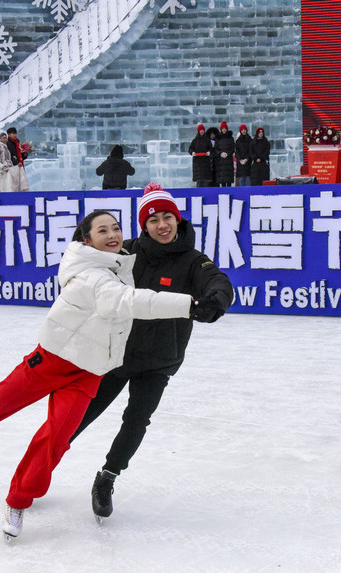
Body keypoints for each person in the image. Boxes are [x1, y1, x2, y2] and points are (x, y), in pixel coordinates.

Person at [0, 209, 197, 541]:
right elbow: (129, 301)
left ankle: (18, 501)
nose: (112, 235)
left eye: (116, 228)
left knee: (57, 438)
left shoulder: (119, 266)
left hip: (89, 372)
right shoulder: (91, 272)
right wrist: (189, 305)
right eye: (102, 230)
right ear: (87, 239)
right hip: (53, 359)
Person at [70, 183, 234, 523]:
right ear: (144, 225)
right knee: (78, 416)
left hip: (159, 360)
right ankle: (41, 464)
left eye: (168, 217)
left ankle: (107, 478)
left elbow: (217, 281)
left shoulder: (193, 261)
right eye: (154, 219)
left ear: (177, 220)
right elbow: (86, 261)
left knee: (136, 421)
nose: (162, 225)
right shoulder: (126, 252)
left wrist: (217, 300)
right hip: (116, 354)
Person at [6, 127, 30, 192]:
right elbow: (9, 156)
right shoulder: (8, 143)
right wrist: (16, 162)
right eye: (13, 133)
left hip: (20, 164)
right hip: (14, 166)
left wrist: (24, 155)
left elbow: (19, 154)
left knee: (21, 182)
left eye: (15, 133)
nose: (15, 135)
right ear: (9, 134)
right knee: (15, 183)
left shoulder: (17, 142)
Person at [213, 121, 235, 187]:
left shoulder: (230, 138)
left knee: (228, 180)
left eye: (225, 128)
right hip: (220, 162)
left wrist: (228, 153)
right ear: (221, 129)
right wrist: (220, 153)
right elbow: (215, 149)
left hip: (228, 161)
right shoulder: (218, 138)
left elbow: (233, 148)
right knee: (222, 180)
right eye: (223, 128)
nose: (224, 130)